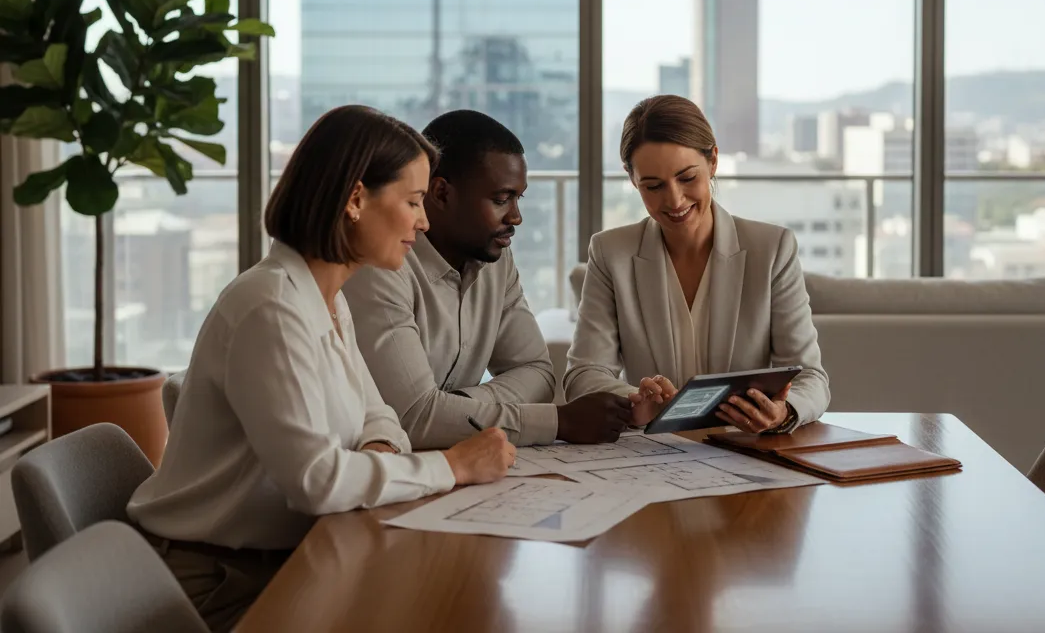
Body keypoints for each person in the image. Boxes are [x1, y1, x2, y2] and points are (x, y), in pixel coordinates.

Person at [127, 105, 516, 633]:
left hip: (280, 555)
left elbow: (379, 417)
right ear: (356, 199)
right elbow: (316, 480)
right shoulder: (272, 308)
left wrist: (374, 453)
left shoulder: (326, 298)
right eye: (413, 201)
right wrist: (453, 465)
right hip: (216, 583)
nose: (424, 222)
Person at [345, 110, 632, 449]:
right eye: (501, 199)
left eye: (518, 198)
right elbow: (415, 419)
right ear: (440, 194)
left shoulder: (496, 259)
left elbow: (538, 372)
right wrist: (558, 421)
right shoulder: (381, 265)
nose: (516, 217)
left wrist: (457, 408)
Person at [564, 95, 831, 433]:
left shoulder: (772, 249)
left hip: (744, 451)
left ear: (713, 161)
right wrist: (637, 400)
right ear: (632, 179)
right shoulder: (609, 253)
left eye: (687, 178)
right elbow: (583, 376)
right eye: (654, 186)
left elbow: (811, 376)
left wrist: (783, 412)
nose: (674, 200)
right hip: (652, 460)